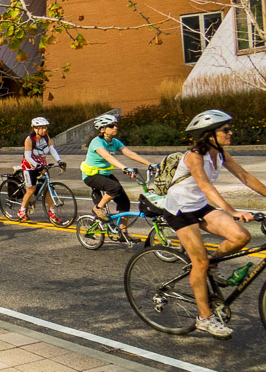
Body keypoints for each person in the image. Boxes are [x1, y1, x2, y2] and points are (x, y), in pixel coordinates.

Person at [162, 110, 265, 338]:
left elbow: (246, 177)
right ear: (208, 135)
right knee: (199, 262)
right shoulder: (194, 157)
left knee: (241, 237)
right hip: (180, 210)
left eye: (229, 128)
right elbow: (206, 186)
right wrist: (231, 210)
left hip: (199, 206)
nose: (231, 132)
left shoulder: (221, 154)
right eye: (225, 129)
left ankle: (214, 265)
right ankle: (204, 318)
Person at [81, 114, 155, 237]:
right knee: (114, 187)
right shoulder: (96, 142)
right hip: (91, 175)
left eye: (116, 125)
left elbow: (130, 153)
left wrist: (150, 164)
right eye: (111, 126)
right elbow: (108, 157)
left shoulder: (114, 142)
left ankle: (122, 232)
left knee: (124, 202)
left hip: (105, 175)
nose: (115, 128)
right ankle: (98, 208)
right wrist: (124, 168)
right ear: (102, 129)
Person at [18, 117, 67, 223]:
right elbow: (27, 157)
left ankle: (52, 213)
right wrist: (37, 165)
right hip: (29, 166)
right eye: (42, 128)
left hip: (42, 166)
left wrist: (59, 161)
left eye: (45, 128)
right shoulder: (29, 140)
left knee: (47, 190)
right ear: (36, 129)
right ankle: (22, 211)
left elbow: (52, 149)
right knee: (31, 190)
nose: (45, 130)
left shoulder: (46, 137)